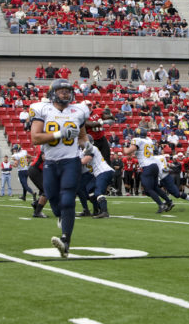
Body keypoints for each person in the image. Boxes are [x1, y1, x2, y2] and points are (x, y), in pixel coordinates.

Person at [29, 78, 90, 258]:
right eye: (61, 90)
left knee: (68, 199)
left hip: (71, 161)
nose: (65, 93)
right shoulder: (43, 109)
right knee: (53, 199)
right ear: (52, 92)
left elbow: (82, 137)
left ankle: (66, 240)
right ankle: (62, 218)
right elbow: (35, 138)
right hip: (50, 162)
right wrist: (60, 133)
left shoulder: (78, 111)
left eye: (67, 90)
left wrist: (88, 145)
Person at [123, 127, 172, 213]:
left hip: (147, 167)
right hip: (154, 166)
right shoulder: (149, 140)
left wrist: (125, 146)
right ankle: (168, 201)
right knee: (155, 187)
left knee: (148, 189)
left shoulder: (137, 140)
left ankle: (161, 205)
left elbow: (128, 152)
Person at [80, 135, 115, 218]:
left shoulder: (90, 148)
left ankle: (104, 211)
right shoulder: (87, 149)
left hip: (103, 172)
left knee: (98, 191)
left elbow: (86, 159)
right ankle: (96, 210)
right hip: (100, 173)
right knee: (89, 189)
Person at [28, 149, 48, 218]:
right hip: (35, 170)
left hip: (37, 170)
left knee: (44, 190)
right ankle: (37, 212)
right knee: (46, 190)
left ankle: (36, 203)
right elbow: (43, 157)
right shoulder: (45, 146)